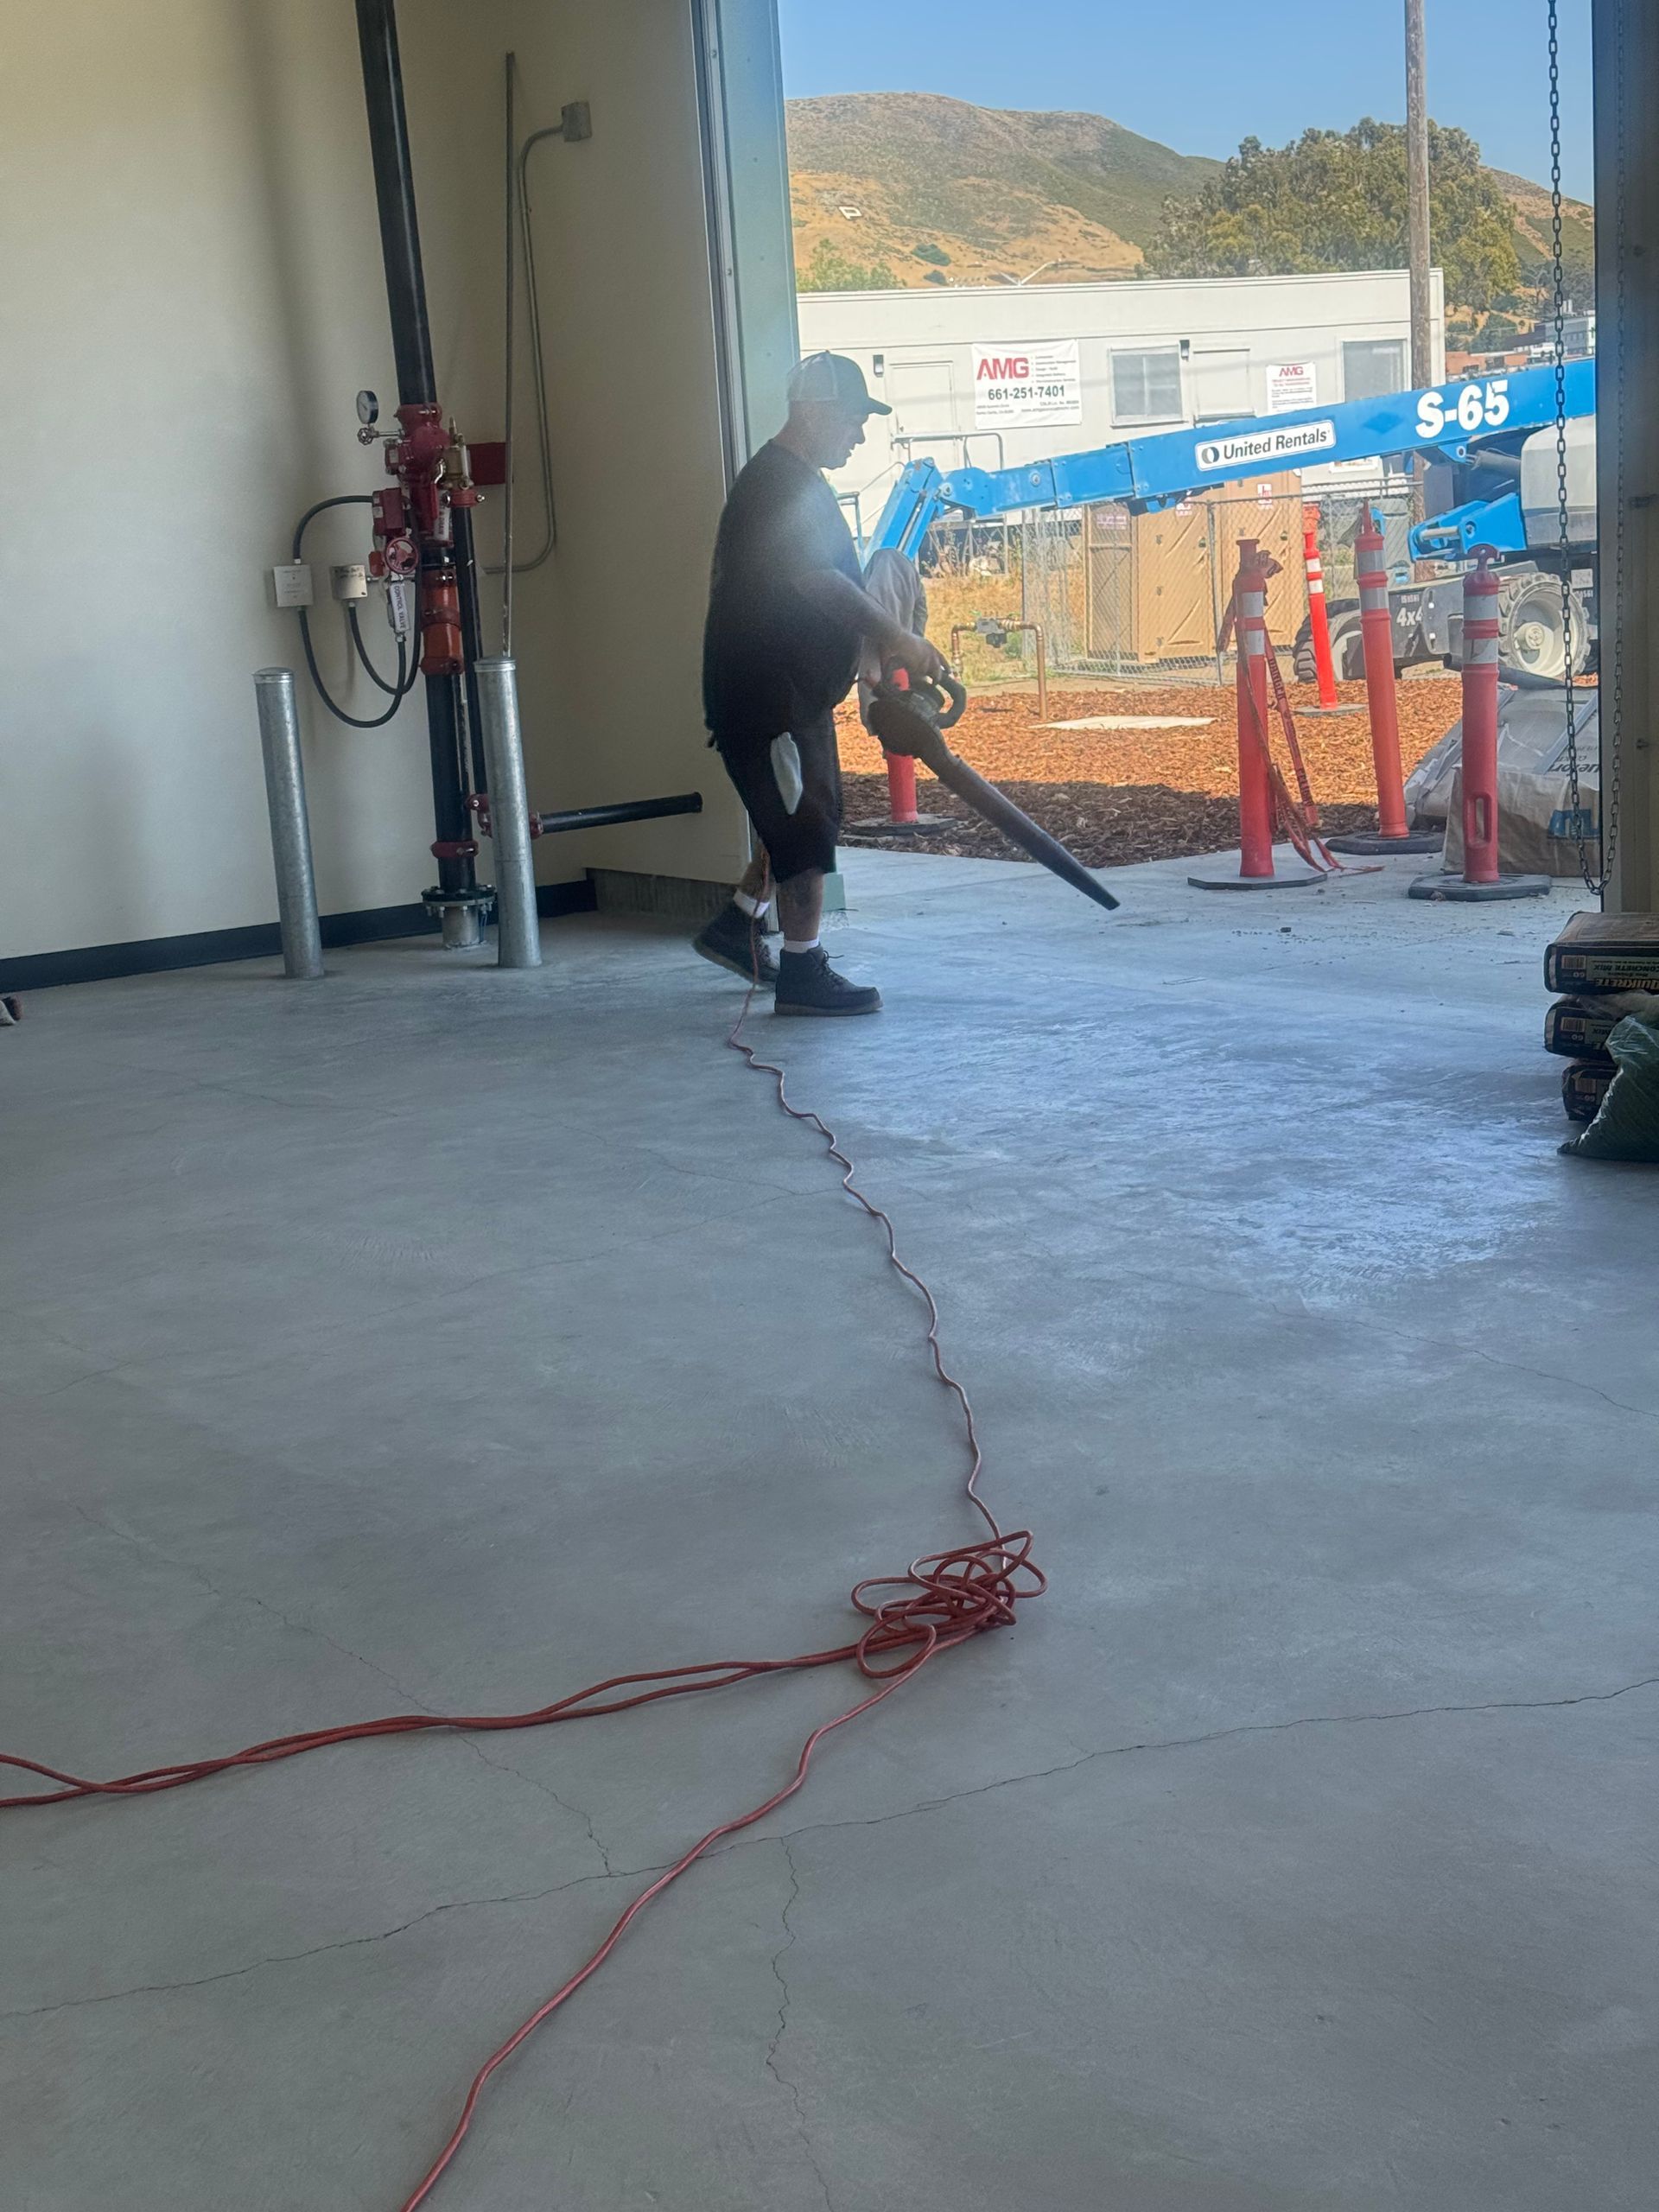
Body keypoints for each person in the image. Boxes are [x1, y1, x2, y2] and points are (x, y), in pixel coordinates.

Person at [693, 352, 947, 1014]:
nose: (859, 435)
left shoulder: (790, 481)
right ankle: (803, 973)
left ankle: (738, 924)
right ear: (814, 411)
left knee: (803, 813)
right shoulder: (778, 486)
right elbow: (819, 581)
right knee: (806, 829)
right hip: (768, 696)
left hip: (785, 693)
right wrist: (896, 634)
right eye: (852, 419)